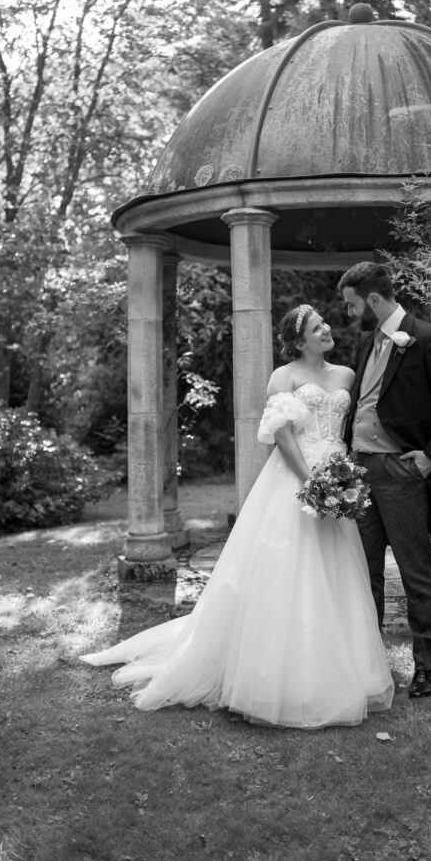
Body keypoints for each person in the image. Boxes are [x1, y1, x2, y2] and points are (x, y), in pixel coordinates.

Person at [80, 304, 394, 729]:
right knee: (290, 572)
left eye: (325, 324)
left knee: (339, 571)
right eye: (317, 327)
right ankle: (277, 678)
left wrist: (342, 481)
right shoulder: (283, 377)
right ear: (299, 340)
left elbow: (348, 427)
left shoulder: (346, 376)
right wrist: (314, 485)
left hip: (338, 480)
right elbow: (281, 436)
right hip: (297, 481)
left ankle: (347, 671)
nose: (327, 330)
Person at [339, 262, 431, 698]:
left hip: (401, 472)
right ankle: (367, 665)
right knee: (366, 574)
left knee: (416, 574)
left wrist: (429, 460)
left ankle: (426, 668)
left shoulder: (427, 338)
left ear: (374, 300)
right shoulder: (367, 341)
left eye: (352, 304)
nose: (349, 312)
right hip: (359, 473)